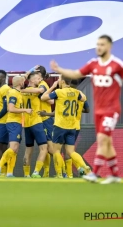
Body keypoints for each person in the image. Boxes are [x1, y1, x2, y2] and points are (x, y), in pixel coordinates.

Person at [50, 35, 123, 184]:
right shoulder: (93, 64)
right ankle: (114, 173)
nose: (99, 47)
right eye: (98, 44)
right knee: (104, 141)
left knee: (103, 139)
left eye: (102, 44)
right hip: (98, 111)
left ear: (109, 46)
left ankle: (93, 172)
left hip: (111, 109)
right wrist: (59, 69)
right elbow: (77, 74)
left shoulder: (117, 65)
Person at [41, 76, 89, 178]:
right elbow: (84, 98)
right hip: (72, 126)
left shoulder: (59, 92)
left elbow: (43, 97)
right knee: (70, 151)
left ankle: (59, 174)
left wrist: (53, 86)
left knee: (56, 151)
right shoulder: (76, 93)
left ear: (62, 81)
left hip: (60, 125)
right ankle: (84, 166)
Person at [0, 76, 32, 178]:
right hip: (13, 122)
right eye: (23, 81)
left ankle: (10, 173)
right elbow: (10, 108)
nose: (25, 82)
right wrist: (25, 110)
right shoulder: (14, 93)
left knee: (15, 149)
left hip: (16, 122)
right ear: (20, 83)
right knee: (13, 147)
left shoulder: (16, 92)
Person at [21, 72, 48, 178]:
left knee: (28, 150)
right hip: (36, 122)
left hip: (26, 124)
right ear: (31, 80)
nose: (40, 80)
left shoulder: (21, 91)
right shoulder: (38, 91)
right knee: (44, 148)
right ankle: (36, 172)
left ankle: (26, 174)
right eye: (38, 79)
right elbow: (42, 91)